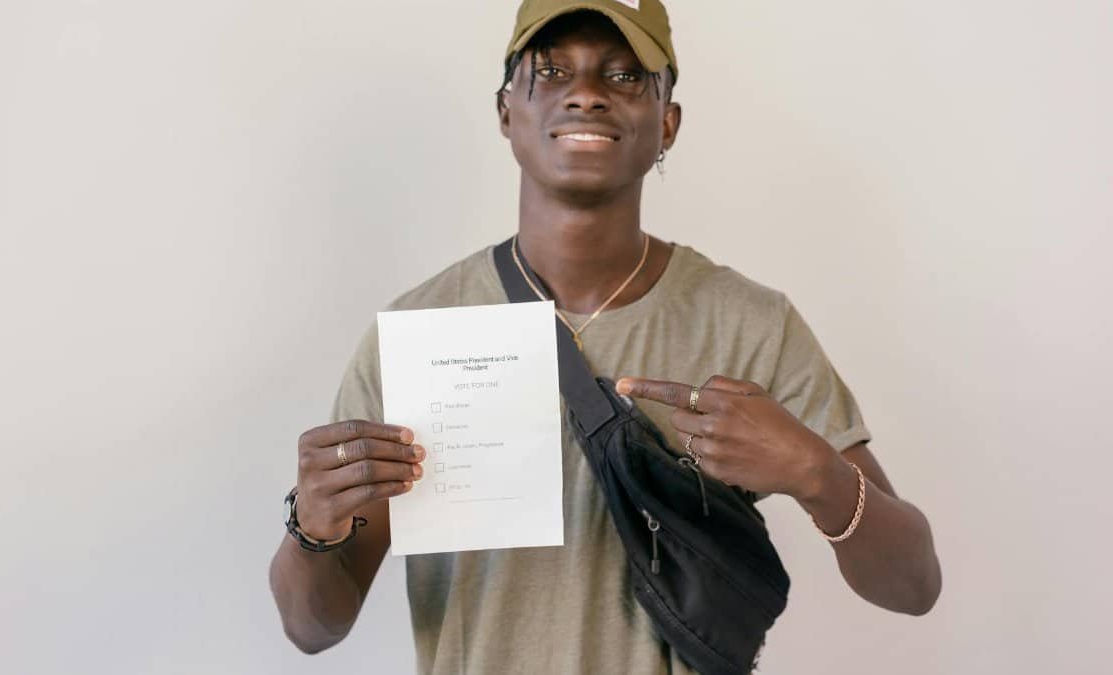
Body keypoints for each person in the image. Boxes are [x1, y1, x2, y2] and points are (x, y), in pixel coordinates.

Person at [269, 1, 942, 672]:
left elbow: (914, 586)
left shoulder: (750, 325)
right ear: (506, 111)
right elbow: (312, 628)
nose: (587, 94)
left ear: (668, 122)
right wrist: (313, 527)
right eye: (552, 71)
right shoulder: (420, 331)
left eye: (624, 76)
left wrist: (818, 474)